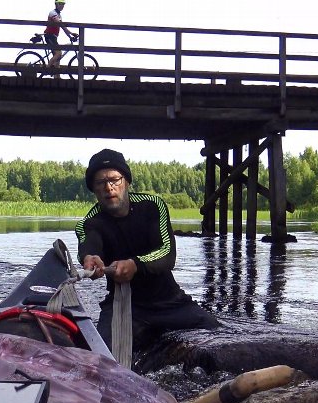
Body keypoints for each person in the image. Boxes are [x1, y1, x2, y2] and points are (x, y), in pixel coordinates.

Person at [76, 148, 220, 349]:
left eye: (114, 180)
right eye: (100, 182)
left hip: (170, 302)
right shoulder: (89, 223)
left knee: (216, 334)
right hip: (124, 306)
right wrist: (90, 258)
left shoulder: (152, 205)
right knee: (101, 355)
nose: (109, 187)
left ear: (126, 181)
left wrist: (135, 265)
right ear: (93, 188)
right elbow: (89, 246)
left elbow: (167, 253)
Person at [44, 0, 77, 69]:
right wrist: (71, 33)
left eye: (63, 4)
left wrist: (70, 36)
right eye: (60, 4)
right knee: (58, 54)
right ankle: (47, 69)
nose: (62, 6)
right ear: (56, 4)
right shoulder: (53, 13)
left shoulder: (59, 15)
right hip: (50, 36)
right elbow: (60, 25)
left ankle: (57, 77)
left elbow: (63, 27)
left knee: (58, 58)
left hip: (53, 37)